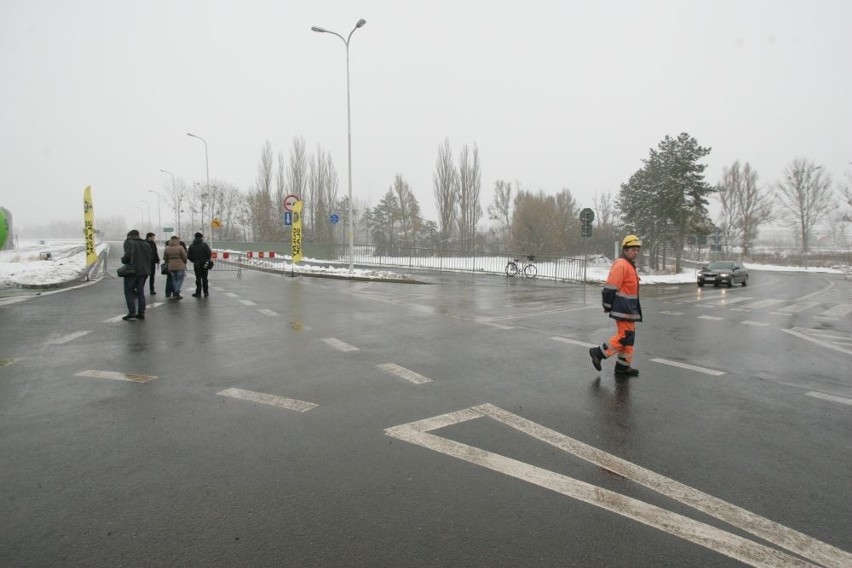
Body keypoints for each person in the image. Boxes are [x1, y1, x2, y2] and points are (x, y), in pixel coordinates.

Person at [589, 235, 643, 377]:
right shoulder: (621, 264)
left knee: (629, 339)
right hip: (623, 309)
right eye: (633, 249)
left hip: (629, 309)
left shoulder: (629, 264)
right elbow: (610, 287)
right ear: (625, 249)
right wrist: (607, 305)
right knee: (625, 337)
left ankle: (622, 367)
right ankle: (598, 353)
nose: (635, 252)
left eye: (637, 250)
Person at [121, 229, 153, 320]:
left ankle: (132, 313)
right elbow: (151, 256)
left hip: (132, 271)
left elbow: (127, 256)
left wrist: (123, 260)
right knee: (140, 292)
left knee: (129, 292)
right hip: (144, 271)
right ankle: (141, 313)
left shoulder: (129, 242)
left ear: (130, 235)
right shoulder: (146, 243)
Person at [187, 232, 212, 297]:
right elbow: (209, 253)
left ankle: (198, 292)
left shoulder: (192, 246)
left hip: (196, 264)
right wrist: (207, 259)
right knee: (205, 278)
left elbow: (189, 256)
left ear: (195, 237)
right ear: (201, 237)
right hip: (204, 264)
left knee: (198, 278)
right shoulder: (204, 245)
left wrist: (194, 261)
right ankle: (206, 292)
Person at [163, 235, 188, 300]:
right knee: (180, 279)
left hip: (171, 265)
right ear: (177, 240)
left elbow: (165, 257)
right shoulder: (180, 247)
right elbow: (184, 256)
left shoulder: (167, 248)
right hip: (180, 265)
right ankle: (176, 292)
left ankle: (175, 292)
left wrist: (168, 261)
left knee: (174, 279)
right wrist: (185, 262)